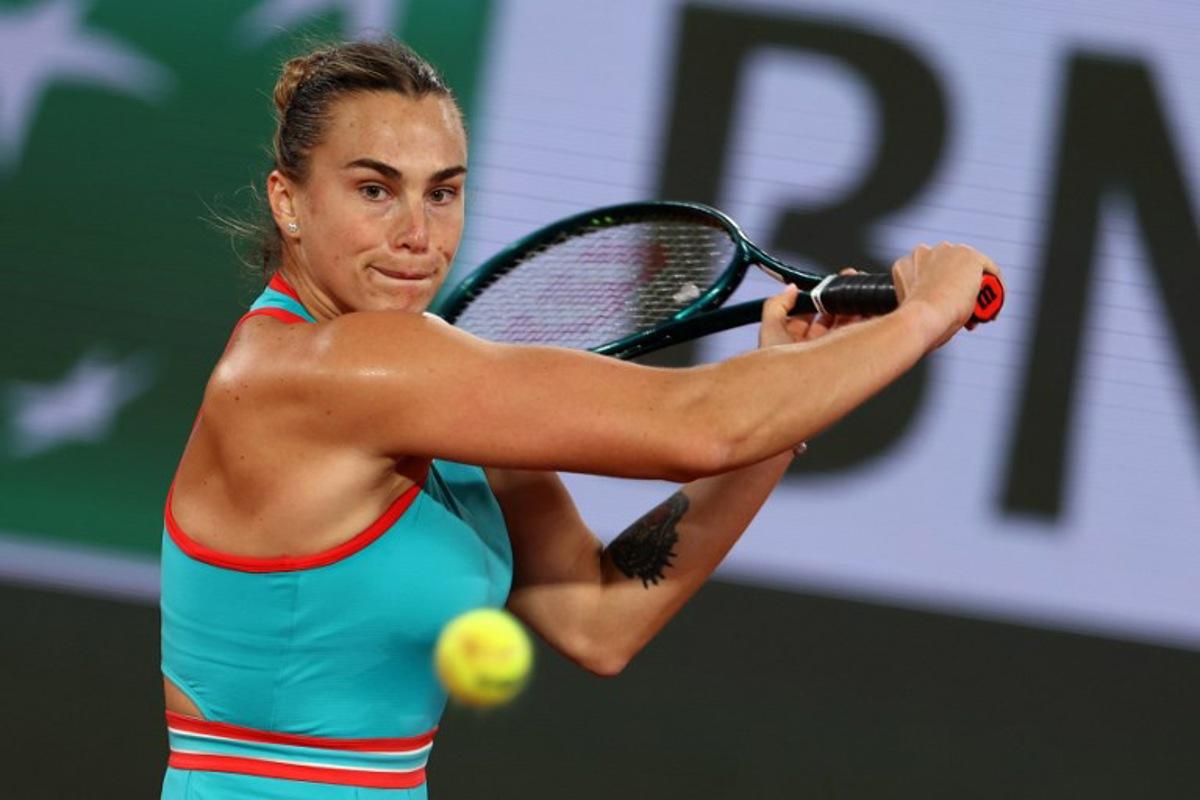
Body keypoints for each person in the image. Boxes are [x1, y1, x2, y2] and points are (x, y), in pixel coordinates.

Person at [158, 39, 1002, 799]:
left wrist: (780, 411)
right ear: (289, 202)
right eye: (375, 189)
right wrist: (923, 315)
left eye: (443, 192)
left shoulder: (425, 378)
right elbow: (697, 426)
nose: (418, 234)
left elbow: (600, 619)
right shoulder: (327, 367)